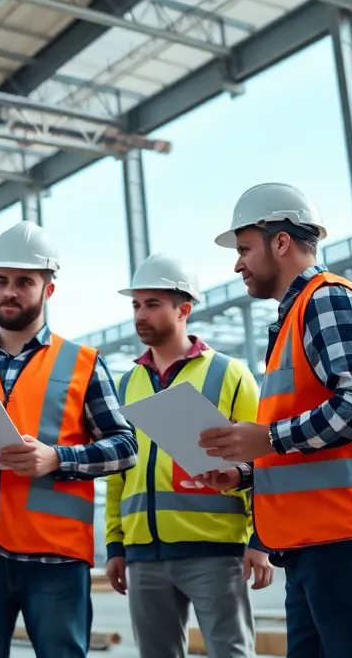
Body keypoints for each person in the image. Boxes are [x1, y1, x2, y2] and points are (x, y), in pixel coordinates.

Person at [195, 183, 352, 658]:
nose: (238, 265)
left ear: (280, 242)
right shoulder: (297, 316)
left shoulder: (328, 300)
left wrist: (267, 438)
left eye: (244, 249)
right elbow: (307, 442)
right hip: (319, 538)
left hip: (351, 536)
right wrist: (243, 472)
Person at [0, 221, 138, 658]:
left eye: (23, 282)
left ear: (48, 290)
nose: (9, 292)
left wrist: (58, 458)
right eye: (1, 281)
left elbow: (125, 447)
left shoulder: (83, 364)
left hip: (55, 558)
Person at [104, 252, 272, 658]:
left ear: (183, 310)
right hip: (143, 553)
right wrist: (115, 545)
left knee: (231, 652)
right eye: (136, 305)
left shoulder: (230, 375)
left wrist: (261, 539)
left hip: (215, 549)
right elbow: (119, 472)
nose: (140, 315)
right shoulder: (126, 384)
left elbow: (266, 460)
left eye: (152, 304)